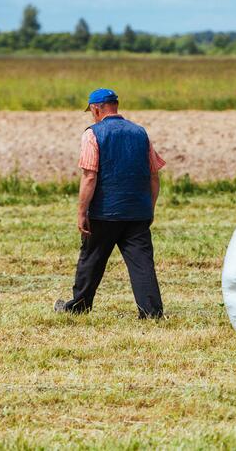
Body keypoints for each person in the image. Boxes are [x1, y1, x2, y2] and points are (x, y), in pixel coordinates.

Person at [54, 88, 165, 318]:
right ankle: (152, 312)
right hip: (137, 212)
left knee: (91, 260)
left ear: (96, 108)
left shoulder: (93, 134)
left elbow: (90, 176)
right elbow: (154, 176)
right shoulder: (140, 133)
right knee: (142, 264)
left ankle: (79, 307)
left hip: (104, 212)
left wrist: (82, 211)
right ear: (115, 105)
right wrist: (149, 208)